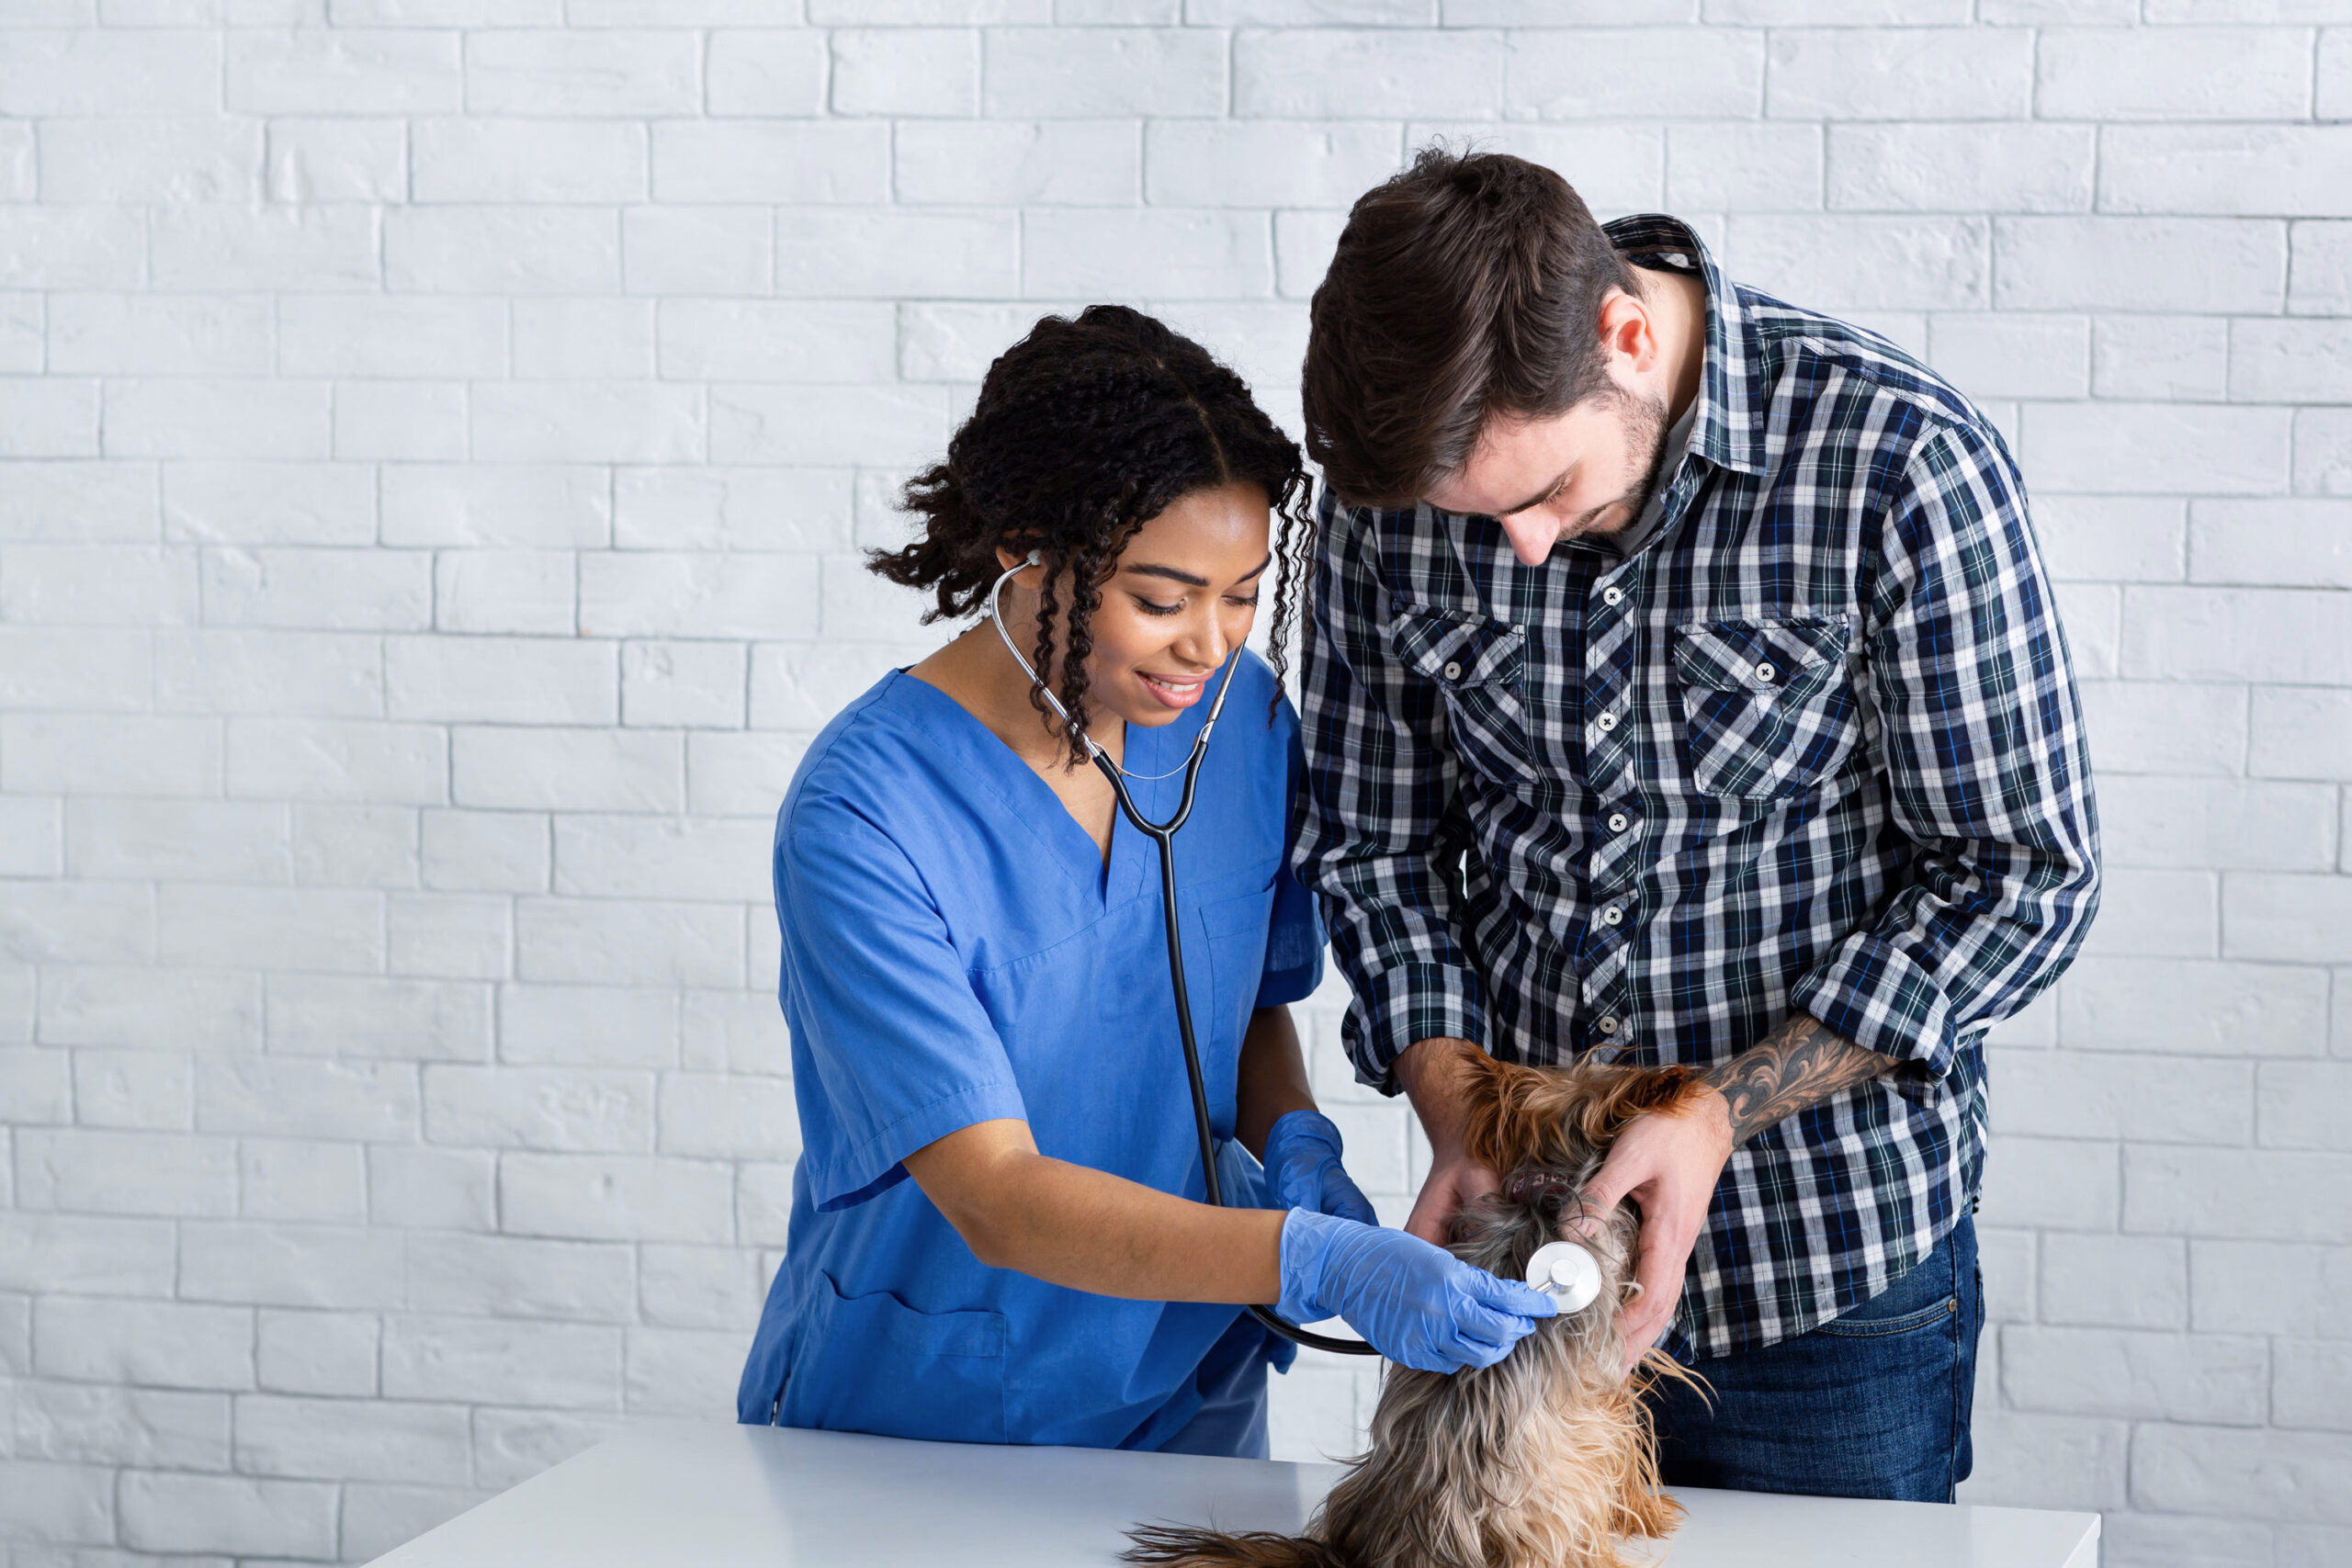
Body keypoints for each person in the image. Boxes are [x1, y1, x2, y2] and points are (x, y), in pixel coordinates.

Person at [1292, 150, 2101, 1501]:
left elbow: (2022, 873)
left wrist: (1719, 1109)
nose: (1527, 550)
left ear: (1626, 334)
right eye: (1480, 521)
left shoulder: (1897, 458)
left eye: (1550, 493)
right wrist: (1456, 1106)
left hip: (1830, 1286)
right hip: (1520, 1272)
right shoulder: (1409, 497)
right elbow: (1378, 847)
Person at [735, 306, 1557, 1458]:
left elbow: (1246, 1002)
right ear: (1026, 550)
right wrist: (1305, 1257)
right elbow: (995, 1191)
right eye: (1162, 601)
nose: (1209, 645)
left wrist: (1296, 1147)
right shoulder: (866, 814)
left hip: (1191, 1381)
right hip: (942, 1404)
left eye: (1241, 594)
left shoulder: (1239, 720)